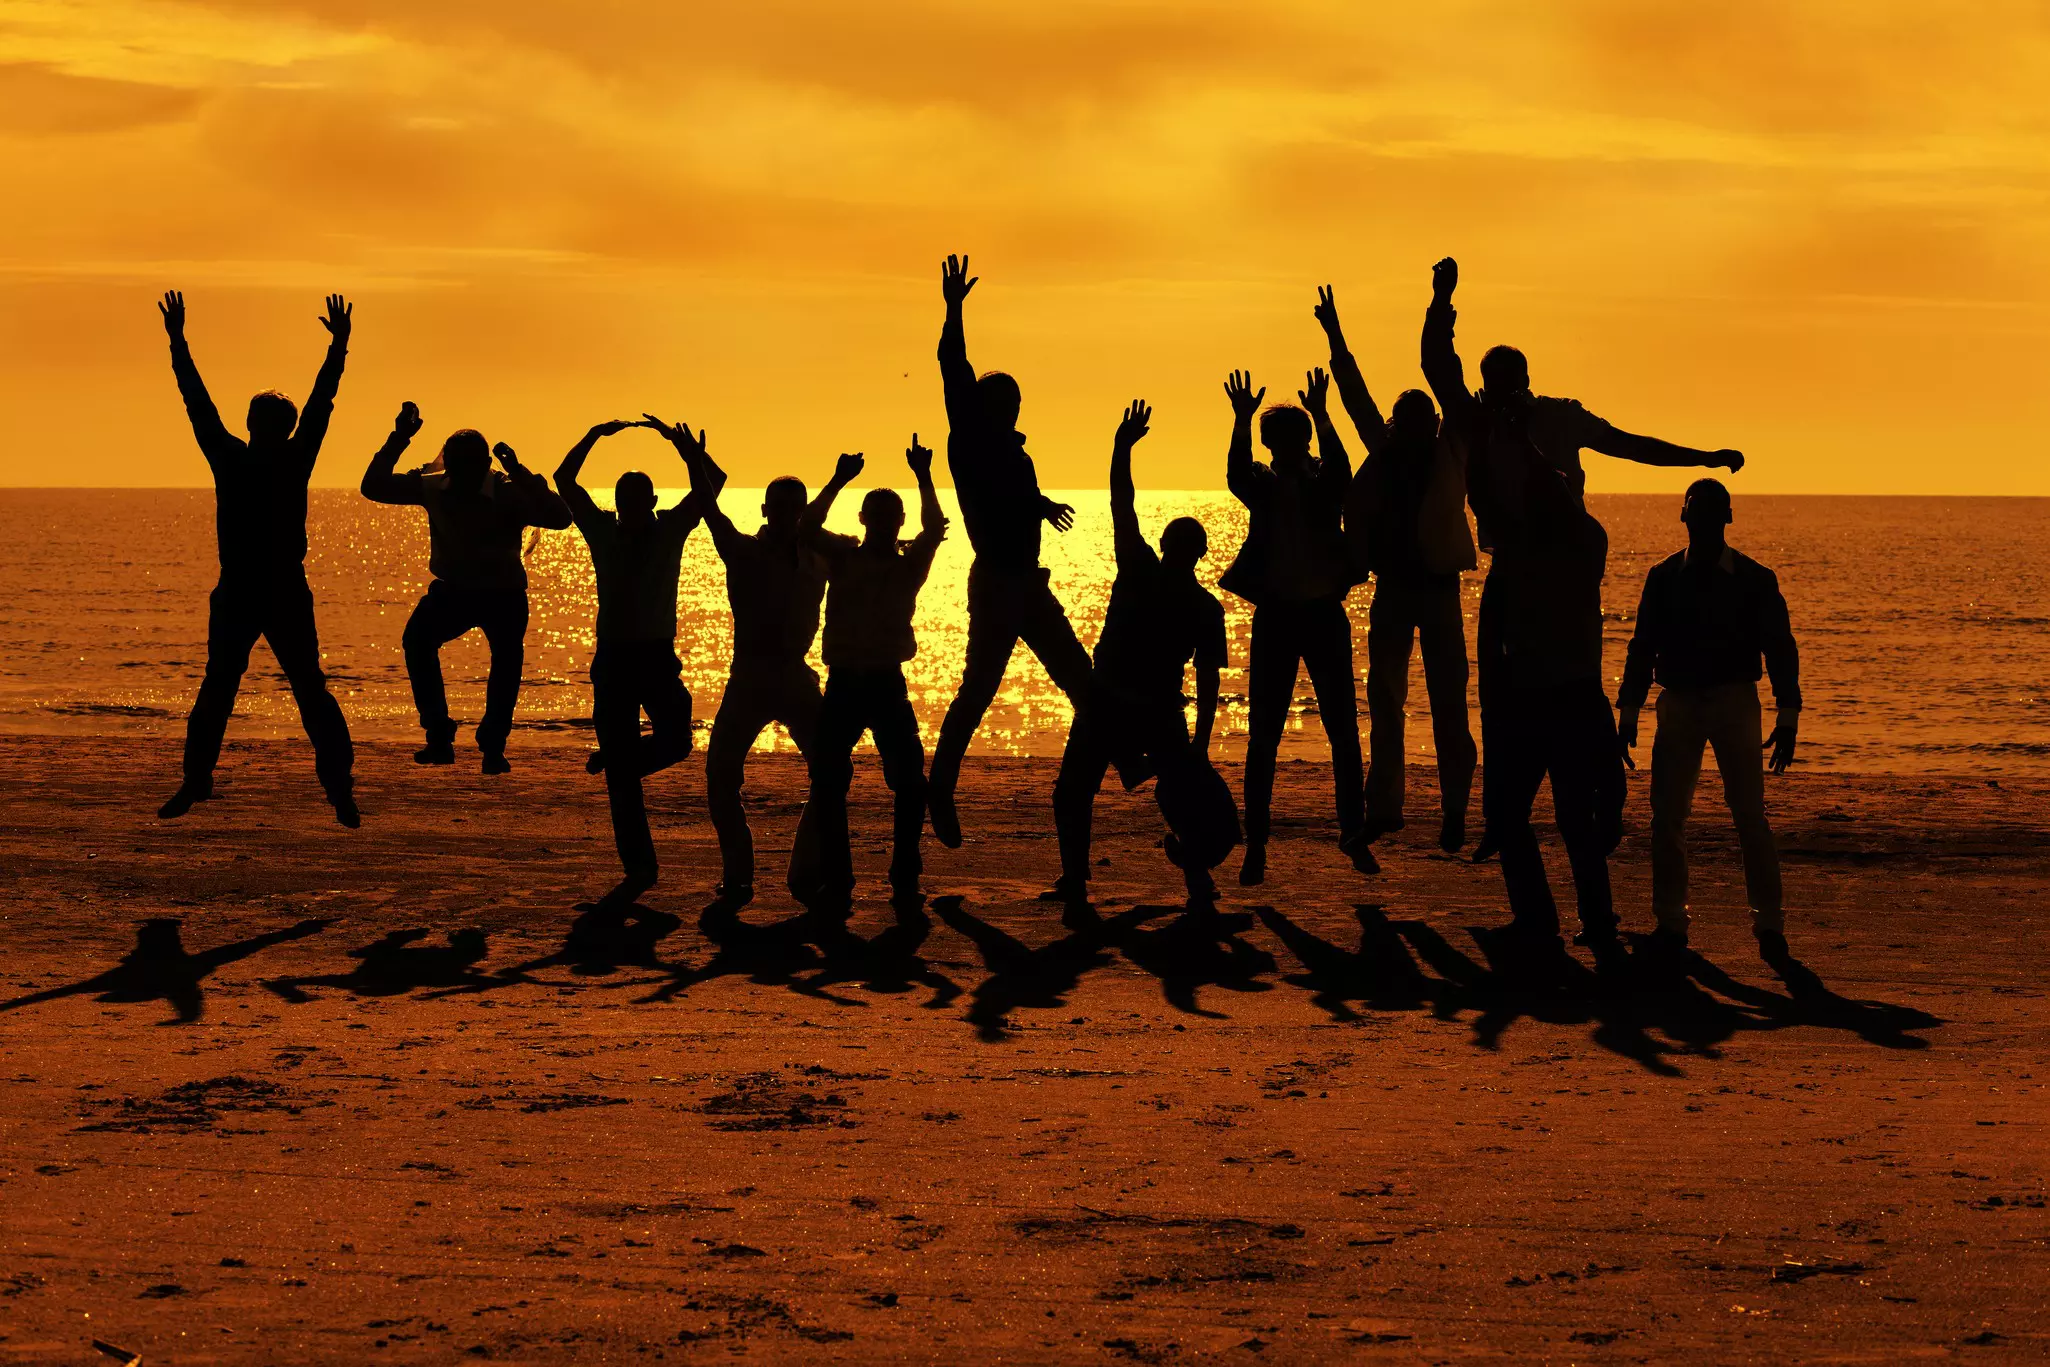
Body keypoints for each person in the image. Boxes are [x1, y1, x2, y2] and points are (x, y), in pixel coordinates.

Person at [1423, 255, 1742, 864]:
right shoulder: (1478, 418)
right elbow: (1438, 367)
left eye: (1513, 381)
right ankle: (1502, 816)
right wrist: (1442, 305)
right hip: (1511, 566)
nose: (1505, 392)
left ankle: (1603, 801)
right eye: (1497, 383)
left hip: (1568, 567)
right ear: (1489, 385)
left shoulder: (1559, 415)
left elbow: (1629, 444)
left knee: (1577, 686)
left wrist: (1702, 457)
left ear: (1527, 380)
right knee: (1497, 694)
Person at [1429, 290, 1627, 972]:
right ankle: (1564, 920)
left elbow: (1606, 454)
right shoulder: (1548, 547)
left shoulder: (1567, 543)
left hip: (1557, 693)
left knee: (1561, 814)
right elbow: (1441, 372)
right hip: (1549, 692)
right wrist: (1442, 308)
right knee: (1532, 812)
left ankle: (1581, 921)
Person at [154, 290, 360, 827]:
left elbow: (196, 402)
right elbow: (322, 402)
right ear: (281, 427)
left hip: (258, 588)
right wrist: (339, 346)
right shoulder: (289, 456)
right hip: (268, 588)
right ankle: (335, 787)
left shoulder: (240, 457)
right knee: (299, 688)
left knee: (226, 685)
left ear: (250, 424)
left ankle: (200, 779)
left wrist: (178, 342)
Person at [924, 254, 1092, 850]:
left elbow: (1014, 496)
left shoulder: (1009, 452)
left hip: (1027, 582)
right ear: (986, 407)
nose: (1013, 410)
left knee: (1081, 681)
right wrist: (953, 309)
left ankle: (1119, 761)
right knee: (978, 691)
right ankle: (938, 788)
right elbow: (952, 367)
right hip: (999, 584)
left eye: (1016, 402)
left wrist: (1042, 505)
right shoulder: (968, 440)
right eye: (1004, 402)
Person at [1050, 401, 1239, 905]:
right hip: (1143, 707)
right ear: (1200, 553)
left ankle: (1078, 878)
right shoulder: (1198, 603)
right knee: (1169, 794)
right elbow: (1208, 684)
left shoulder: (1143, 571)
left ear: (1166, 544)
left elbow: (1121, 502)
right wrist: (1199, 743)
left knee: (1077, 792)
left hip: (1117, 702)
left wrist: (1121, 448)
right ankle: (1190, 871)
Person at [1314, 284, 1478, 854]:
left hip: (1436, 590)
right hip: (1394, 589)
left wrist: (1440, 307)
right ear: (1396, 423)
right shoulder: (1382, 449)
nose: (1413, 427)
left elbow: (1448, 381)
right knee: (1385, 701)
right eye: (1405, 420)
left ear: (1432, 422)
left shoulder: (1451, 448)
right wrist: (1335, 336)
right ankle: (1384, 809)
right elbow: (1355, 395)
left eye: (1422, 419)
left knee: (1448, 702)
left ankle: (1454, 810)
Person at [641, 414, 831, 906]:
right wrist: (691, 461)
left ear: (803, 511)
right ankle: (739, 874)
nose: (788, 514)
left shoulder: (819, 557)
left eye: (797, 507)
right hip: (749, 677)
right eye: (780, 506)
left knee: (832, 773)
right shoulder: (743, 552)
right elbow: (708, 507)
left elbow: (873, 555)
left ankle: (804, 870)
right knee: (721, 775)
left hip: (796, 676)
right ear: (766, 509)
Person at [1618, 479, 1801, 964]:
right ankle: (1672, 920)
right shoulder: (1664, 578)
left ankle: (1766, 921)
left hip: (1732, 701)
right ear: (1686, 518)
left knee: (1745, 816)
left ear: (1724, 519)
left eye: (1707, 512)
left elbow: (1780, 647)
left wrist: (1788, 714)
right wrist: (1630, 708)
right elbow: (1642, 645)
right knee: (1670, 818)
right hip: (1681, 701)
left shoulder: (1753, 579)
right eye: (1696, 512)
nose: (1700, 521)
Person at [1219, 366, 1372, 885]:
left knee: (1342, 732)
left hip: (1322, 615)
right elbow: (1238, 473)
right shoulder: (1262, 486)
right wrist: (1240, 421)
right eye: (1274, 441)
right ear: (1268, 445)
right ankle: (1256, 843)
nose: (1281, 450)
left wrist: (1325, 416)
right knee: (1264, 735)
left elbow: (1342, 469)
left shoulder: (1322, 483)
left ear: (1301, 441)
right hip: (1280, 616)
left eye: (1289, 439)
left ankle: (1352, 831)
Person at [360, 403, 572, 774]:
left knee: (506, 664)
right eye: (455, 466)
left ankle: (492, 747)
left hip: (502, 594)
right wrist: (400, 438)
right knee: (418, 642)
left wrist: (520, 473)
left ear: (483, 464)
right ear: (449, 463)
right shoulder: (434, 485)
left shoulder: (508, 492)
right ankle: (440, 737)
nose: (461, 475)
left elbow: (560, 517)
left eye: (469, 466)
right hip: (455, 591)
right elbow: (372, 487)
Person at [556, 419, 703, 906]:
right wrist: (593, 435)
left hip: (657, 655)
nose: (632, 507)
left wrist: (685, 449)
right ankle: (639, 866)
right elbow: (564, 480)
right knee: (624, 780)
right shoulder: (603, 529)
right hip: (617, 657)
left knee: (678, 739)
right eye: (625, 499)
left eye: (639, 499)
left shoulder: (669, 530)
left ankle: (619, 759)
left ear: (652, 503)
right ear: (618, 503)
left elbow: (711, 487)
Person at [797, 438, 947, 909]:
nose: (883, 522)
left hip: (885, 682)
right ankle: (839, 878)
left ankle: (904, 869)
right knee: (827, 782)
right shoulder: (843, 557)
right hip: (844, 683)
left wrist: (924, 476)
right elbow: (806, 526)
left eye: (890, 515)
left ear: (898, 521)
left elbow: (935, 527)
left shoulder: (910, 564)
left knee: (908, 781)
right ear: (864, 519)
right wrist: (839, 479)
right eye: (875, 515)